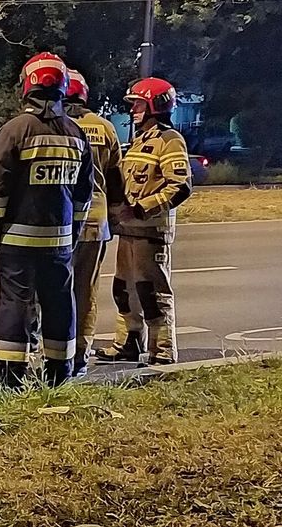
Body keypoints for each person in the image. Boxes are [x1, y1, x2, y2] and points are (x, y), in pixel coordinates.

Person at [0, 53, 94, 387]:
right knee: (60, 302)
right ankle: (60, 372)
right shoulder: (76, 133)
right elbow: (83, 194)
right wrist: (72, 233)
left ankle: (10, 375)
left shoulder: (14, 131)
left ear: (27, 85)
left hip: (17, 239)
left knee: (15, 301)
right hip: (58, 242)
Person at [99, 77, 192, 365]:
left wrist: (141, 209)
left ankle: (163, 350)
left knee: (152, 293)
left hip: (150, 231)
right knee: (123, 290)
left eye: (138, 103)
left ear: (155, 104)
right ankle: (128, 342)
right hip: (129, 232)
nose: (133, 110)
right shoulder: (140, 140)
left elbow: (180, 186)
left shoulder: (170, 140)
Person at [63, 68, 123, 377]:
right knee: (85, 291)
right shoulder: (106, 128)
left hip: (61, 220)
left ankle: (57, 350)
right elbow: (116, 180)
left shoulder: (59, 126)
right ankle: (81, 354)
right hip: (96, 220)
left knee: (55, 289)